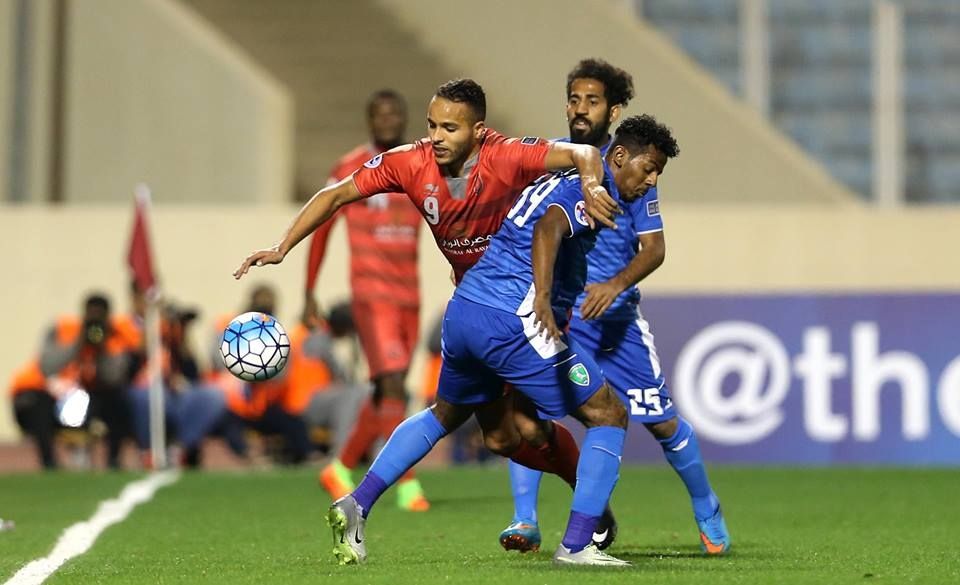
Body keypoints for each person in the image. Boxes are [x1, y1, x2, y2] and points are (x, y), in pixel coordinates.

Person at [234, 79, 620, 497]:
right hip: (474, 305)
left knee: (540, 420)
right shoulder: (407, 162)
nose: (436, 137)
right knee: (500, 438)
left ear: (479, 131)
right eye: (432, 125)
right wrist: (282, 247)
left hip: (524, 302)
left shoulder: (506, 154)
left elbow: (584, 152)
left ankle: (582, 511)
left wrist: (593, 184)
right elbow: (335, 195)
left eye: (449, 129)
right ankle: (577, 502)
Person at [324, 114, 677, 567]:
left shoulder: (569, 174)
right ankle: (576, 545)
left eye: (658, 174)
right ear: (620, 156)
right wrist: (545, 299)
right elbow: (550, 226)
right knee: (608, 413)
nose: (650, 181)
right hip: (516, 319)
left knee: (446, 415)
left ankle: (356, 504)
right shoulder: (591, 188)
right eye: (648, 168)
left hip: (467, 311)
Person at [499, 59, 731, 556]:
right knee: (532, 411)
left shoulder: (635, 170)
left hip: (619, 323)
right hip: (567, 321)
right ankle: (525, 519)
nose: (582, 109)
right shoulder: (555, 162)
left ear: (614, 109)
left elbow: (655, 248)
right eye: (575, 98)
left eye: (594, 100)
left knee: (662, 421)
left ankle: (706, 505)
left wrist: (614, 284)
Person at [307, 90, 431, 511]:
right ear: (369, 120)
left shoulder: (421, 162)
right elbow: (321, 226)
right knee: (395, 383)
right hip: (371, 295)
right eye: (380, 114)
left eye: (396, 112)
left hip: (409, 295)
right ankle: (405, 483)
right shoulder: (348, 167)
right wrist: (309, 290)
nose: (389, 120)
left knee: (384, 392)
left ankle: (339, 466)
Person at [33, 293, 138, 469]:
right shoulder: (67, 330)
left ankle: (113, 459)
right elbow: (47, 366)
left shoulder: (117, 336)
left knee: (120, 401)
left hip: (101, 396)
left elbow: (114, 377)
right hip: (66, 395)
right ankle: (52, 462)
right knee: (38, 403)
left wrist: (102, 348)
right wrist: (78, 343)